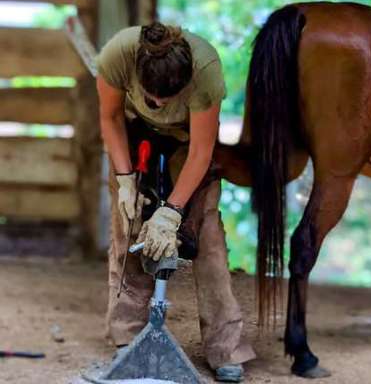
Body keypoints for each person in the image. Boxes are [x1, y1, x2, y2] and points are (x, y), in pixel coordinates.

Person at [96, 22, 255, 383]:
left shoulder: (206, 71)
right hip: (133, 132)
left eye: (166, 100)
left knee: (207, 234)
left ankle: (225, 347)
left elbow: (202, 151)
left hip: (188, 141)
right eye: (152, 98)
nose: (159, 105)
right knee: (128, 225)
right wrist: (125, 181)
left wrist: (172, 212)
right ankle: (127, 336)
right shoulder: (118, 54)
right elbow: (110, 116)